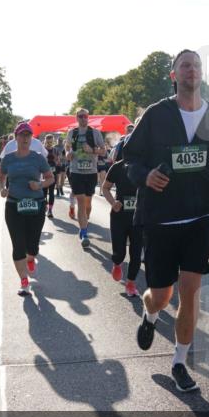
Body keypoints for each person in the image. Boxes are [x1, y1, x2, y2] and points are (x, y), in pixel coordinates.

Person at [122, 49, 209, 392]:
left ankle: (179, 361)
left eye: (196, 65)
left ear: (201, 74)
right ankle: (150, 315)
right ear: (174, 75)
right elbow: (129, 158)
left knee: (190, 293)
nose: (191, 70)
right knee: (161, 296)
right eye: (184, 66)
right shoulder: (156, 115)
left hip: (200, 217)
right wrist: (145, 176)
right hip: (161, 219)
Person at [0, 123, 55, 296]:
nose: (25, 138)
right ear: (16, 138)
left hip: (36, 205)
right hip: (14, 204)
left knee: (33, 245)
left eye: (28, 135)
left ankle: (31, 256)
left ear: (31, 138)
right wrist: (2, 189)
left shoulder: (37, 158)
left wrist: (40, 184)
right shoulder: (8, 159)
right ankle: (24, 281)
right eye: (22, 135)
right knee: (18, 244)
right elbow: (0, 178)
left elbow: (50, 178)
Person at [101, 157, 143, 297]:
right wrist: (113, 202)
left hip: (140, 217)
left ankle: (131, 283)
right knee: (119, 251)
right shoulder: (118, 167)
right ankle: (117, 263)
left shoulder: (147, 164)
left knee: (136, 253)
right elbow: (105, 187)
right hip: (119, 214)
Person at [66, 108, 106, 248]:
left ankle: (85, 223)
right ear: (76, 118)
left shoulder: (95, 133)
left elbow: (103, 150)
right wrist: (68, 154)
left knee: (88, 204)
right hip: (76, 172)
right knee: (81, 202)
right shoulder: (72, 133)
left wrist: (93, 150)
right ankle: (84, 233)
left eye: (86, 116)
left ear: (88, 118)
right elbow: (67, 147)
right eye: (81, 116)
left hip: (91, 172)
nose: (83, 118)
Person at [42, 134, 60, 218]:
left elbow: (58, 162)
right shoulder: (43, 150)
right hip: (44, 174)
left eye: (51, 142)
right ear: (45, 141)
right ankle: (44, 205)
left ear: (53, 142)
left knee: (52, 192)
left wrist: (56, 159)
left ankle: (50, 210)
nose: (49, 143)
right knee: (44, 192)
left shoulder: (55, 150)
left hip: (53, 173)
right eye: (48, 142)